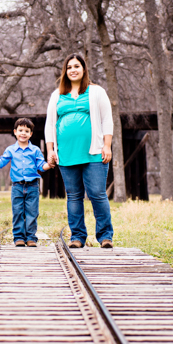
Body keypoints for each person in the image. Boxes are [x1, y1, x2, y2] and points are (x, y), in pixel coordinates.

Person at [45, 54, 114, 249]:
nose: (73, 70)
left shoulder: (96, 92)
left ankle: (105, 236)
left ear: (84, 69)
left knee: (97, 194)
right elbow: (50, 124)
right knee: (74, 195)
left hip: (93, 152)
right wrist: (50, 150)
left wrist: (107, 146)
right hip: (66, 154)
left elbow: (107, 120)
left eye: (77, 66)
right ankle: (77, 237)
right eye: (69, 67)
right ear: (65, 72)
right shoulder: (57, 95)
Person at [0, 117, 50, 246]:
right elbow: (1, 163)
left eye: (26, 131)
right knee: (18, 211)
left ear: (31, 134)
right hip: (17, 187)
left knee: (32, 212)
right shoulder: (10, 150)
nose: (23, 133)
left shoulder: (35, 150)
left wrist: (50, 164)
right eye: (20, 130)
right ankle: (19, 237)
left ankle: (31, 237)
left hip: (32, 186)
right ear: (15, 132)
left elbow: (41, 166)